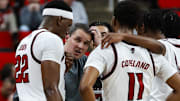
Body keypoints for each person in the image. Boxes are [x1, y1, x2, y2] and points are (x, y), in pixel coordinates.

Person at [79, 1, 180, 101]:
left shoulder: (105, 49)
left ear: (113, 21)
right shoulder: (152, 54)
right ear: (138, 25)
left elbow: (85, 87)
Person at [15, 1, 72, 101]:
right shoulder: (52, 39)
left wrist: (62, 68)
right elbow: (50, 89)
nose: (68, 31)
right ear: (59, 20)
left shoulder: (24, 41)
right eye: (68, 25)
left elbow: (35, 77)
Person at [64, 23, 92, 101]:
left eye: (86, 43)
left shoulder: (86, 61)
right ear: (67, 37)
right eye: (77, 40)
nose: (80, 46)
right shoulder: (53, 59)